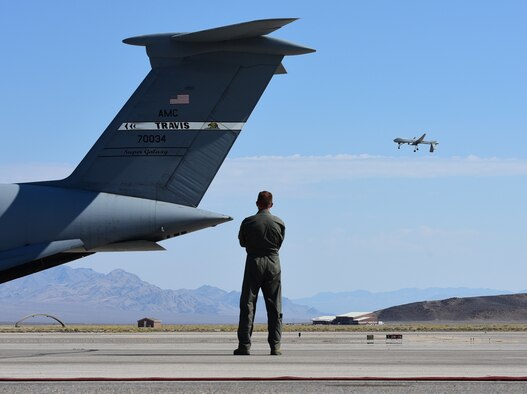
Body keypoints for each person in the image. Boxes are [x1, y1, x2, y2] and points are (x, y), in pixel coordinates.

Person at [234, 191, 286, 356]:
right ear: (271, 204)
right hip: (273, 263)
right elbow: (279, 243)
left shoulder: (248, 222)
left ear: (257, 203)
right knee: (274, 306)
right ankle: (275, 346)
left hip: (254, 261)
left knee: (248, 304)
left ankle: (244, 345)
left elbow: (242, 242)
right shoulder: (279, 223)